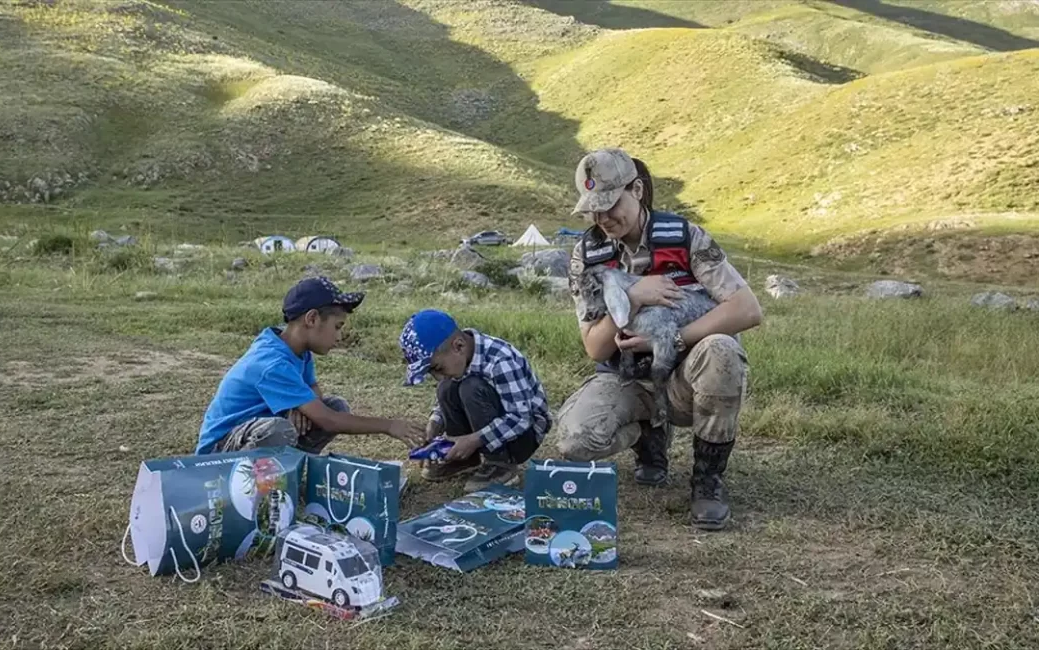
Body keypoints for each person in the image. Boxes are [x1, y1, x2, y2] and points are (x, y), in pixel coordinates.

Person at [557, 147, 763, 531]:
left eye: (610, 204)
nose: (603, 218)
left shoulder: (686, 238)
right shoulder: (587, 254)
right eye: (593, 209)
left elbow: (746, 309)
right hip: (627, 378)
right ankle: (649, 434)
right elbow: (594, 347)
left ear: (636, 190)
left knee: (722, 351)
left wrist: (674, 341)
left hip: (686, 380)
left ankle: (707, 480)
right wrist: (632, 296)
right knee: (575, 441)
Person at [196, 276, 427, 455]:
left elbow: (314, 389)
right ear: (312, 319)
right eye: (337, 327)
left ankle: (290, 468)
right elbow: (328, 420)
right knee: (280, 429)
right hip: (220, 453)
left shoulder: (296, 348)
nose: (339, 337)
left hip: (255, 431)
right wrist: (389, 426)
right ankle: (254, 487)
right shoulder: (272, 363)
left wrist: (296, 406)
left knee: (336, 405)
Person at [399, 309, 551, 491]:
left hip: (523, 437)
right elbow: (443, 402)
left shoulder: (500, 360)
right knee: (446, 387)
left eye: (438, 368)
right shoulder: (459, 359)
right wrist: (434, 424)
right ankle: (464, 459)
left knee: (471, 388)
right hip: (488, 430)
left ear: (459, 346)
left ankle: (500, 464)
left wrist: (473, 440)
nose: (438, 376)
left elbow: (521, 418)